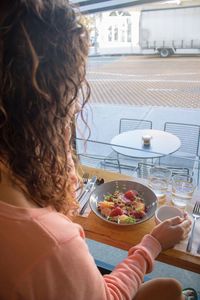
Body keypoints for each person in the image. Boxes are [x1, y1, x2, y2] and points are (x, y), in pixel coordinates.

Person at [0, 1, 195, 299]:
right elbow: (110, 295)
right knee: (169, 287)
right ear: (45, 110)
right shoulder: (51, 244)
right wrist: (151, 244)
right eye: (70, 96)